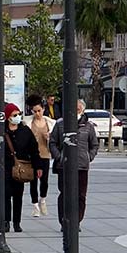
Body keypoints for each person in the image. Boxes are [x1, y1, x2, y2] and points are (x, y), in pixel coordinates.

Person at [0, 103, 42, 233]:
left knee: (18, 197)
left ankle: (17, 222)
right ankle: (6, 222)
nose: (17, 117)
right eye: (14, 115)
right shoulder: (1, 131)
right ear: (8, 117)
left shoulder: (25, 131)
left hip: (20, 169)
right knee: (5, 196)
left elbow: (34, 150)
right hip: (4, 169)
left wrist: (37, 166)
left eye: (18, 114)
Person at [49, 98, 98, 228]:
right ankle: (64, 221)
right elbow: (52, 142)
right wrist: (59, 157)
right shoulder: (60, 124)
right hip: (64, 166)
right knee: (65, 194)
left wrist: (89, 157)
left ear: (82, 109)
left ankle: (77, 221)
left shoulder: (88, 125)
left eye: (78, 108)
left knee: (81, 196)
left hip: (82, 166)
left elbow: (94, 145)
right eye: (74, 108)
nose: (76, 110)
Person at [26, 97, 55, 217]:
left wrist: (50, 137)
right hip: (32, 156)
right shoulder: (27, 122)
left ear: (43, 109)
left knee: (44, 181)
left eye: (39, 110)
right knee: (33, 181)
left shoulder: (50, 123)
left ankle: (42, 199)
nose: (37, 113)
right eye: (35, 111)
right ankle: (35, 206)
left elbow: (55, 139)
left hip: (45, 154)